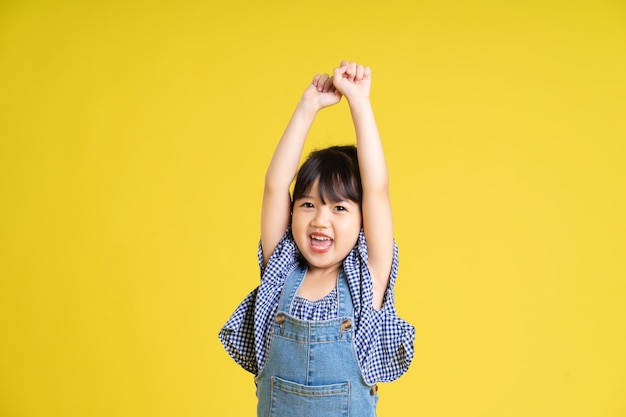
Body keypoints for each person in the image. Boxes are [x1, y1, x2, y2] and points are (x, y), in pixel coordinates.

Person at [219, 60, 415, 417]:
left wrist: (359, 102)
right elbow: (276, 185)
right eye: (308, 204)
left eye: (339, 208)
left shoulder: (365, 275)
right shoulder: (280, 267)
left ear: (362, 222)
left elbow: (377, 189)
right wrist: (308, 106)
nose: (320, 220)